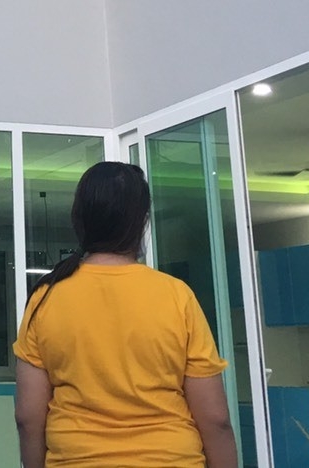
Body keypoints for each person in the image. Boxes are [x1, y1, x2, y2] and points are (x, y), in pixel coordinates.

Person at [13, 162, 238, 468]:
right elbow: (216, 419)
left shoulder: (46, 297)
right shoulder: (176, 296)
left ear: (79, 219)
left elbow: (27, 418)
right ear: (142, 221)